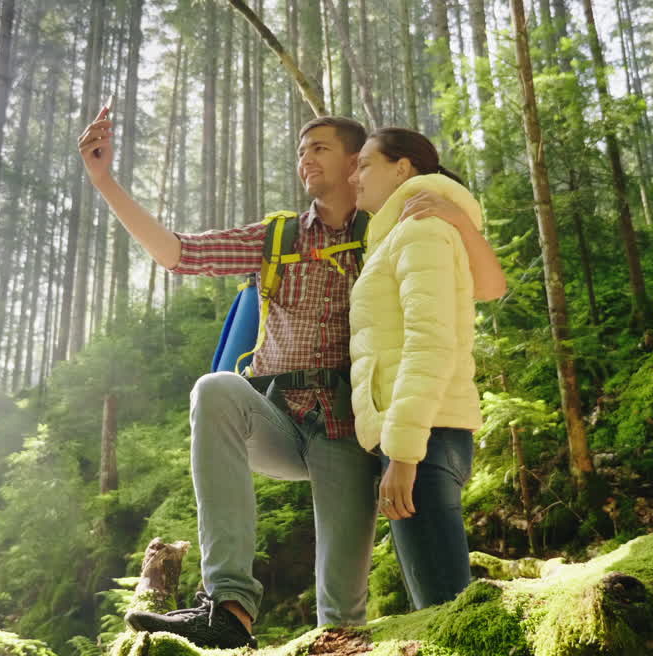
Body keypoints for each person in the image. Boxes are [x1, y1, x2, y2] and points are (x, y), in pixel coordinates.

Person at [76, 111, 501, 649]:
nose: (305, 160)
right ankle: (228, 608)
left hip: (349, 431)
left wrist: (458, 219)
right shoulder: (277, 237)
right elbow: (177, 253)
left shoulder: (388, 229)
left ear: (356, 162)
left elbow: (477, 287)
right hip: (275, 414)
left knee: (340, 613)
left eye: (320, 148)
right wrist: (105, 181)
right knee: (214, 390)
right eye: (301, 151)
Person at [347, 127, 501, 609]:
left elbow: (430, 342)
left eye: (364, 164)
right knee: (441, 611)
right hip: (421, 435)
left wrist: (403, 454)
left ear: (402, 168)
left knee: (447, 616)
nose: (353, 177)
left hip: (424, 438)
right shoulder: (402, 232)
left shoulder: (420, 228)